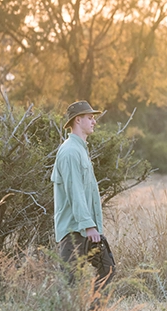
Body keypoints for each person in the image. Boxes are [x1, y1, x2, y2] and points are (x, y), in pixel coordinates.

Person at [52, 100, 115, 288]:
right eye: (90, 118)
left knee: (107, 269)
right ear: (78, 120)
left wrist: (92, 226)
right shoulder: (70, 151)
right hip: (74, 229)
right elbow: (75, 192)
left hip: (86, 230)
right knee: (68, 283)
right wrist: (88, 226)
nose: (94, 121)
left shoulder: (80, 149)